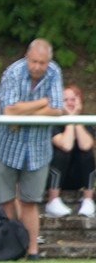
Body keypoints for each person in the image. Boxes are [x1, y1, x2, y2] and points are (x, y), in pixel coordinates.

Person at [0, 39, 64, 260]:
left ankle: (32, 251)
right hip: (8, 146)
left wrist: (23, 114)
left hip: (38, 148)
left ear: (48, 62)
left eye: (42, 63)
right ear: (26, 57)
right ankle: (9, 249)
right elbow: (9, 110)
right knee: (5, 200)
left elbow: (57, 109)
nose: (37, 67)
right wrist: (42, 102)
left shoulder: (54, 72)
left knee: (30, 201)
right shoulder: (13, 73)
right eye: (33, 61)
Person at [46, 84, 96, 218]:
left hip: (77, 177)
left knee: (87, 153)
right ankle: (52, 199)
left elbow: (86, 145)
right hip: (53, 177)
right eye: (65, 100)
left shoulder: (85, 121)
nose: (69, 103)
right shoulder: (53, 122)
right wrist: (70, 119)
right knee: (63, 151)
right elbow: (66, 145)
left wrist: (75, 118)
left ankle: (88, 199)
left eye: (73, 99)